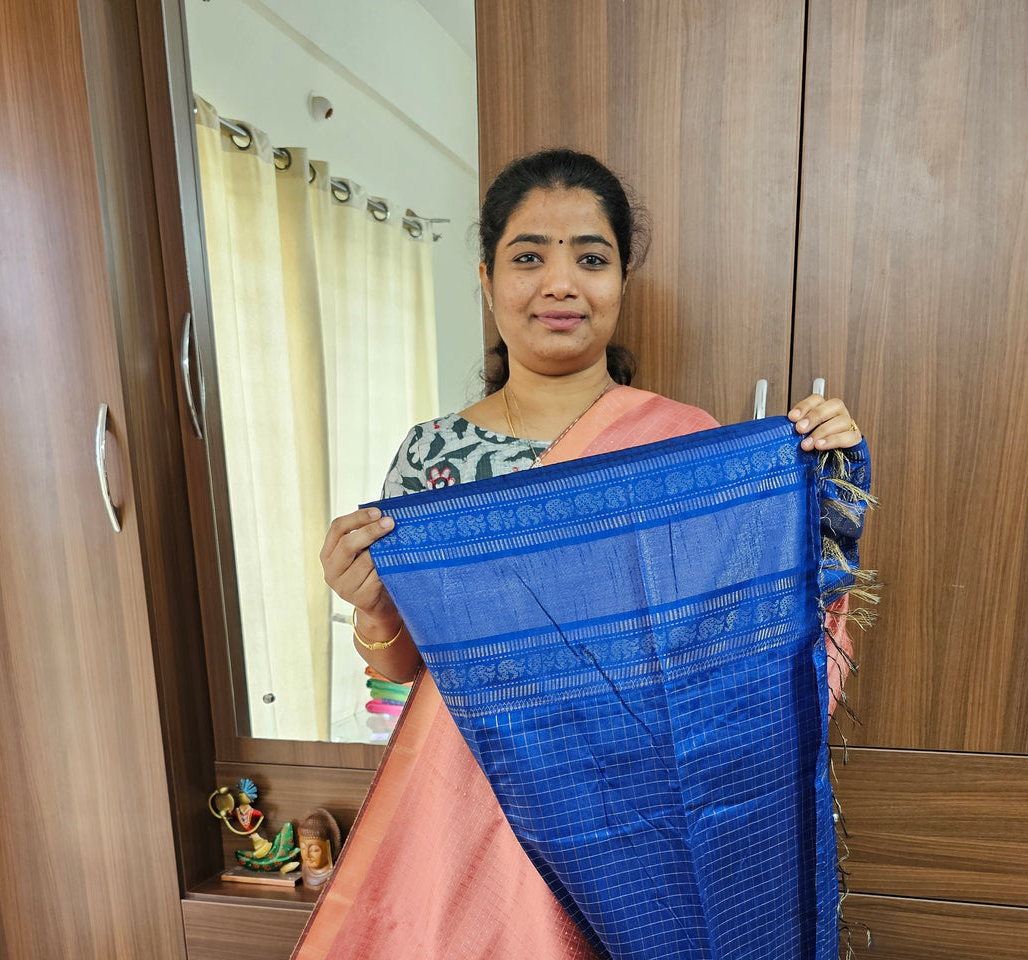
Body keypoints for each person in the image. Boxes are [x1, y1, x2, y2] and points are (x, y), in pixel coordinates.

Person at [319, 147, 865, 682]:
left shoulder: (687, 442)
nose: (560, 284)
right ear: (487, 281)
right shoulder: (431, 456)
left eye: (592, 260)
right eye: (529, 257)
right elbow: (403, 670)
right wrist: (372, 608)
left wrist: (824, 475)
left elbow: (749, 624)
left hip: (650, 766)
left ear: (622, 280)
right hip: (486, 769)